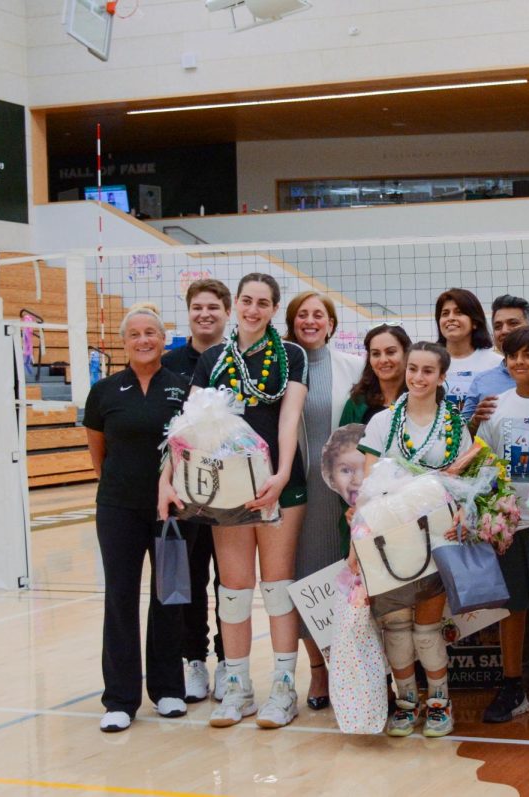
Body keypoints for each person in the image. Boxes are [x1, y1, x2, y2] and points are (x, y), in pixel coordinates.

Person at [159, 272, 309, 730]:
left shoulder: (292, 355)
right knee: (234, 589)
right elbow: (189, 427)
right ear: (236, 305)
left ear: (272, 309)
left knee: (278, 586)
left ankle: (283, 688)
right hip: (226, 490)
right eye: (247, 300)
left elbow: (289, 418)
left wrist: (281, 475)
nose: (253, 309)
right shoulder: (213, 358)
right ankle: (239, 687)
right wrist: (167, 477)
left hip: (281, 486)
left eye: (263, 303)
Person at [356, 342, 474, 738]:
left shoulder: (455, 425)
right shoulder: (382, 421)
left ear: (442, 377)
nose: (418, 377)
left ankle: (439, 701)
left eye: (428, 371)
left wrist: (462, 510)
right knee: (396, 626)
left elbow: (463, 487)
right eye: (413, 369)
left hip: (436, 537)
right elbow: (369, 486)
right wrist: (358, 542)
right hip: (388, 539)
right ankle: (407, 702)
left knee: (426, 627)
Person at [86, 304, 190, 732]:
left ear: (164, 340)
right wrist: (123, 486)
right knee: (120, 596)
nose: (144, 340)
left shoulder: (183, 388)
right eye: (135, 334)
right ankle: (120, 699)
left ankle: (168, 690)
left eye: (151, 333)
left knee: (169, 596)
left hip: (173, 511)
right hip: (118, 509)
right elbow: (98, 453)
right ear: (124, 342)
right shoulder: (105, 392)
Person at [462, 294, 529, 704]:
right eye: (512, 357)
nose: (520, 363)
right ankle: (511, 683)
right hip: (512, 520)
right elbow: (481, 463)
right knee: (514, 606)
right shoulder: (495, 408)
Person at [284, 291, 364, 712]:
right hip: (299, 494)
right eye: (303, 315)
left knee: (344, 580)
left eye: (319, 315)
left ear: (331, 323)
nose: (311, 321)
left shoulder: (352, 367)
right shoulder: (279, 366)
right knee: (304, 578)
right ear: (293, 323)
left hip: (342, 494)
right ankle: (317, 669)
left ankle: (350, 667)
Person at [162, 278, 230, 703]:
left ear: (227, 313)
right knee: (186, 577)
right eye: (197, 307)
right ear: (188, 312)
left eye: (213, 308)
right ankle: (194, 661)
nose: (205, 314)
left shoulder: (235, 360)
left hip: (229, 491)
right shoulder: (169, 363)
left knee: (230, 579)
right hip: (184, 492)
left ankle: (229, 661)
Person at [465, 294, 529, 432]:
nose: (504, 330)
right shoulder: (482, 382)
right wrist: (475, 422)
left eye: (513, 323)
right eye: (498, 326)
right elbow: (460, 435)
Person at [434, 288, 502, 416]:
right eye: (445, 313)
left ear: (475, 322)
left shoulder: (496, 363)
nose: (450, 318)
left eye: (459, 313)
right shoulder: (431, 362)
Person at [340, 322, 412, 425]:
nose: (383, 360)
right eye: (376, 354)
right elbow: (342, 440)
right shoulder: (356, 403)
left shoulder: (421, 398)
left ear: (406, 353)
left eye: (390, 352)